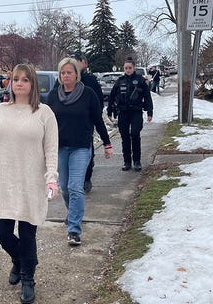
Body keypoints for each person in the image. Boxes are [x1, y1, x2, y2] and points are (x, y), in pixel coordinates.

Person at [0, 64, 59, 304]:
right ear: (10, 83)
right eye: (15, 79)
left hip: (31, 183)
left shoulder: (44, 112)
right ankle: (20, 260)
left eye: (25, 80)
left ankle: (28, 278)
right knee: (2, 232)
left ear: (32, 84)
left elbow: (51, 150)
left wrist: (51, 178)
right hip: (5, 182)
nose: (19, 83)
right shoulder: (0, 111)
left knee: (27, 234)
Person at [47, 57, 113, 246]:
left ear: (76, 74)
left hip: (81, 147)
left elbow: (98, 120)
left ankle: (74, 230)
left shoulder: (88, 94)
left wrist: (107, 144)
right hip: (60, 148)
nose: (66, 75)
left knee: (76, 186)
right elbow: (46, 123)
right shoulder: (53, 96)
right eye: (62, 72)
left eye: (69, 72)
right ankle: (73, 213)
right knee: (65, 188)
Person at [108, 57, 154, 172]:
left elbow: (147, 97)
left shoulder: (140, 81)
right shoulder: (120, 80)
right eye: (126, 68)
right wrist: (110, 110)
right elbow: (112, 96)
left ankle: (137, 161)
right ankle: (127, 161)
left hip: (136, 111)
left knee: (135, 134)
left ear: (134, 68)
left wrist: (149, 111)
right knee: (124, 136)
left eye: (130, 68)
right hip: (123, 112)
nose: (128, 70)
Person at [70, 53, 104, 194]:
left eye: (75, 62)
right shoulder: (64, 81)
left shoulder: (90, 80)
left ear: (83, 63)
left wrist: (95, 116)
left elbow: (99, 100)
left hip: (86, 122)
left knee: (86, 149)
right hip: (68, 123)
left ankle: (86, 178)